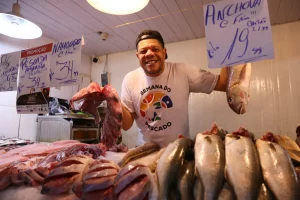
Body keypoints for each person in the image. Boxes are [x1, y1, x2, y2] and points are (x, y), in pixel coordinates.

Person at [121, 29, 228, 147]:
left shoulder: (184, 71)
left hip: (180, 150)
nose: (149, 53)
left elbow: (223, 84)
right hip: (145, 152)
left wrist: (230, 50)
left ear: (164, 51)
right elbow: (126, 125)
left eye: (155, 49)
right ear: (138, 56)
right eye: (143, 51)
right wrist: (112, 99)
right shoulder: (130, 79)